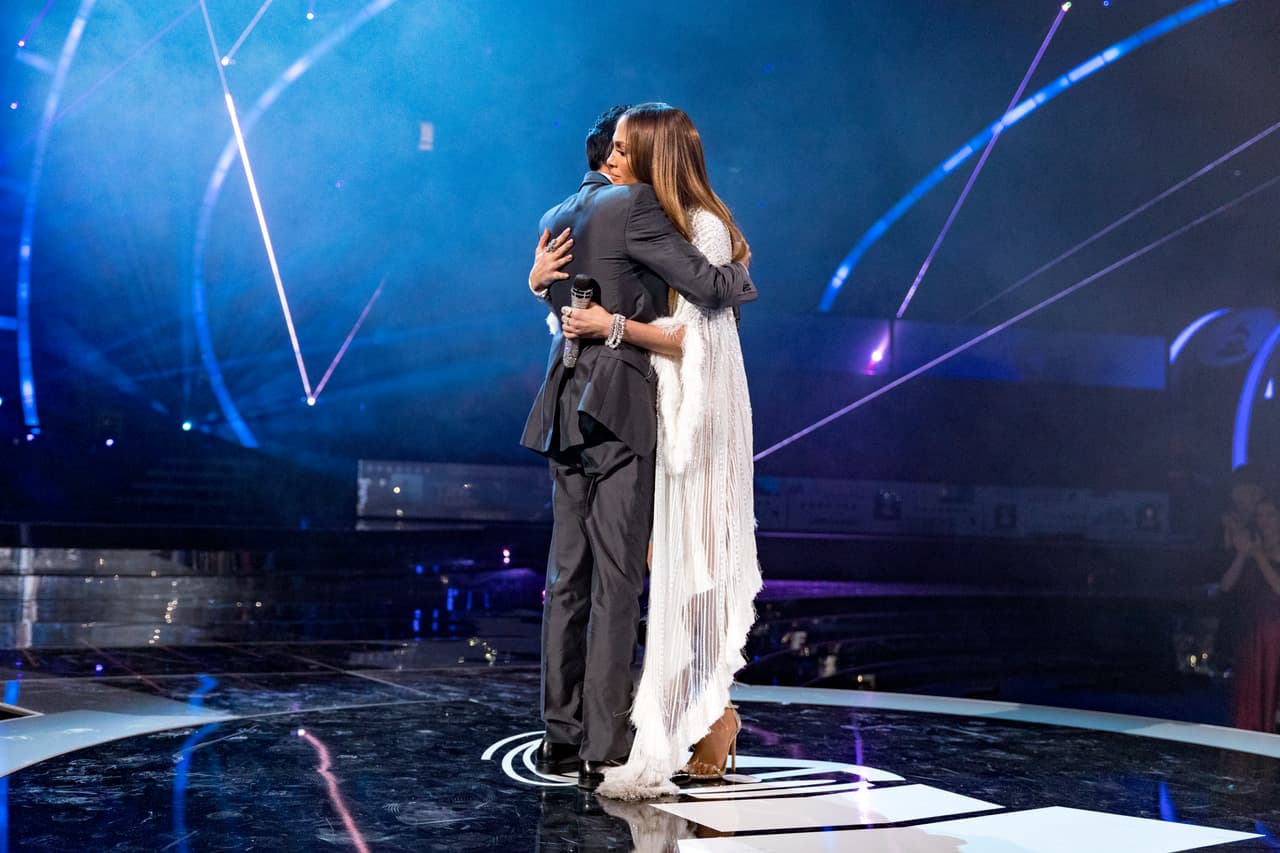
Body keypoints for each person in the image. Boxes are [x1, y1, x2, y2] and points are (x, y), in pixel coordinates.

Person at [521, 106, 758, 792]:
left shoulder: (557, 213)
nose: (625, 160)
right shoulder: (636, 207)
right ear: (616, 157)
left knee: (567, 579)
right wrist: (741, 269)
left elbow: (559, 299)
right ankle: (604, 743)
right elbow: (710, 292)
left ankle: (559, 739)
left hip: (565, 404)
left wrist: (538, 283)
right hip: (620, 409)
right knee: (619, 579)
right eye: (620, 148)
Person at [1218, 496, 1280, 732]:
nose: (1264, 521)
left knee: (1272, 688)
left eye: (1271, 515)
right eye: (1259, 515)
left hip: (1275, 631)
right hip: (1250, 630)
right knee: (1248, 692)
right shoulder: (1251, 545)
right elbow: (1225, 585)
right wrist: (1243, 554)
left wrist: (1258, 556)